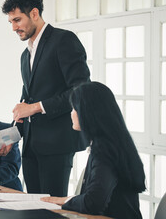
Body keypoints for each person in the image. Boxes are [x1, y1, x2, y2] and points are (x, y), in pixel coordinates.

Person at [0, 0, 90, 196]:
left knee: (50, 211)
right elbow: (26, 101)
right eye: (10, 22)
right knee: (33, 208)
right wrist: (11, 138)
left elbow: (80, 90)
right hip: (30, 147)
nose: (14, 27)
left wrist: (36, 107)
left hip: (57, 144)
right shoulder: (24, 55)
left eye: (17, 20)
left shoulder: (64, 40)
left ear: (35, 14)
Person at [41, 82, 146, 219]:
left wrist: (65, 201)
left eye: (74, 108)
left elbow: (93, 203)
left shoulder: (105, 151)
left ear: (87, 112)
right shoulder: (112, 143)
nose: (71, 114)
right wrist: (66, 199)